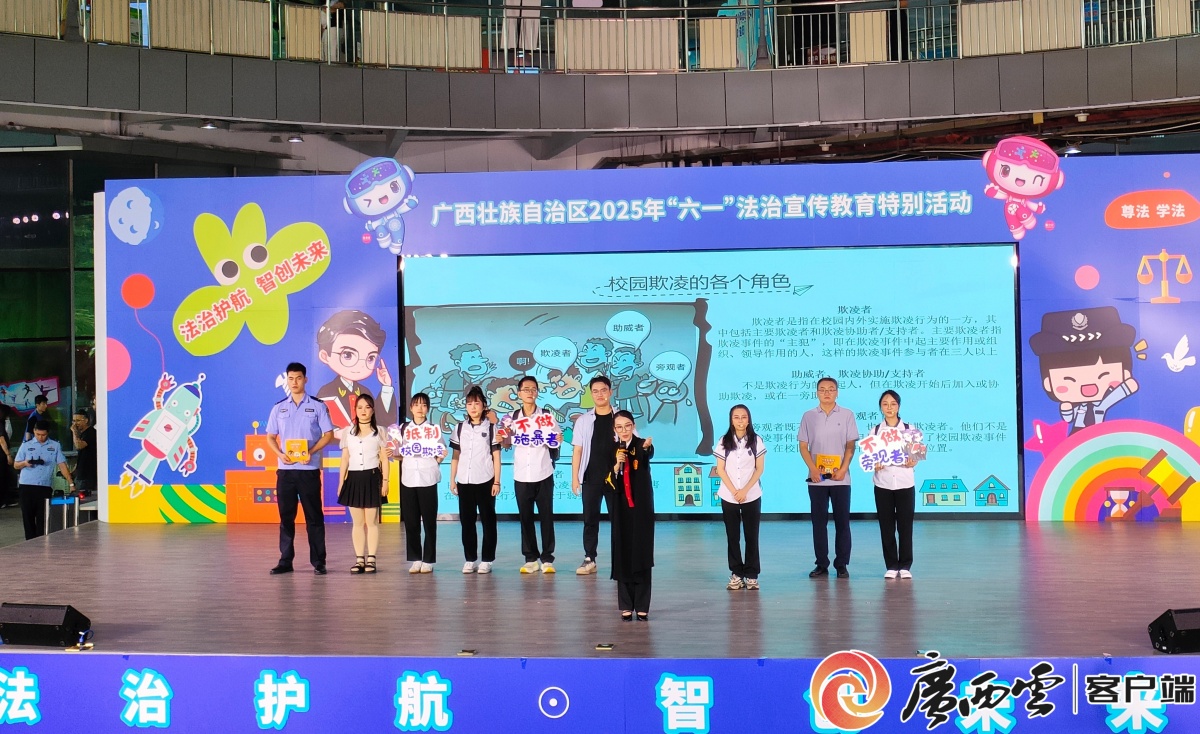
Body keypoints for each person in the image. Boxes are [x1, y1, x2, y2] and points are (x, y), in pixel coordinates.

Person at [266, 362, 334, 576]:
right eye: (291, 378)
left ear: (305, 379)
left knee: (314, 517)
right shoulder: (278, 408)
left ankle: (319, 562)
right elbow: (270, 437)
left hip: (308, 470)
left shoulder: (317, 406)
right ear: (287, 380)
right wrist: (280, 454)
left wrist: (311, 451)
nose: (294, 382)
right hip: (285, 471)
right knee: (286, 517)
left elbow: (328, 434)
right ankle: (285, 561)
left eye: (298, 378)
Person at [798, 377, 859, 578]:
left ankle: (842, 564)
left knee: (843, 522)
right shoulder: (808, 416)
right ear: (817, 392)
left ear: (837, 392)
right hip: (817, 479)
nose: (827, 393)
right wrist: (813, 469)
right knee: (818, 523)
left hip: (841, 478)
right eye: (822, 389)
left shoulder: (847, 414)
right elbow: (803, 446)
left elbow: (851, 445)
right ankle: (821, 564)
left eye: (831, 389)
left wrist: (843, 469)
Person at [503, 375, 560, 574]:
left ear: (537, 392)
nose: (530, 392)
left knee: (546, 516)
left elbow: (556, 440)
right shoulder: (511, 418)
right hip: (521, 474)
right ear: (519, 393)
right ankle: (530, 558)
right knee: (525, 517)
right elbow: (506, 443)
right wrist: (503, 437)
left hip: (543, 471)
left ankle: (547, 558)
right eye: (526, 389)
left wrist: (557, 438)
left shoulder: (546, 416)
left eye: (533, 389)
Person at [315, 310, 398, 433]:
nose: (360, 365)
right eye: (348, 355)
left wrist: (386, 386)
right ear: (325, 356)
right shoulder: (326, 391)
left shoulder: (365, 392)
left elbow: (383, 421)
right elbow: (320, 424)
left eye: (370, 358)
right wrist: (336, 433)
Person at [607, 410, 655, 620]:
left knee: (641, 551)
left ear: (633, 425)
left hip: (641, 507)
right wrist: (617, 464)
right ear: (614, 429)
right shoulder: (612, 449)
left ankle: (642, 604)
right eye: (619, 427)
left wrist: (646, 448)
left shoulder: (641, 444)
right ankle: (626, 604)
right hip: (620, 506)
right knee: (623, 551)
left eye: (627, 426)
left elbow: (647, 453)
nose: (624, 430)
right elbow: (607, 480)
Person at [449, 386, 501, 574]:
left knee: (488, 521)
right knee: (467, 522)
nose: (473, 407)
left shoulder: (492, 428)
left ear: (484, 405)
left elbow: (496, 456)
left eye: (476, 403)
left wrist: (497, 481)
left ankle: (487, 560)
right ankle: (470, 559)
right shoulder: (459, 428)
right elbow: (456, 455)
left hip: (486, 480)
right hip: (465, 481)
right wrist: (452, 479)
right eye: (469, 403)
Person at [714, 404, 766, 591]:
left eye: (744, 417)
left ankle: (751, 575)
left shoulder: (756, 440)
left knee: (752, 536)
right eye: (736, 417)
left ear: (749, 419)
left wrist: (744, 490)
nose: (740, 421)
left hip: (751, 495)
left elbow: (759, 469)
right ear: (731, 420)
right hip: (729, 496)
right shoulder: (723, 441)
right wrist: (734, 491)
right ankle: (736, 574)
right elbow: (720, 469)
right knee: (732, 536)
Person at [336, 394, 389, 574]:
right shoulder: (348, 432)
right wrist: (341, 482)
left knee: (371, 522)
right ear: (355, 410)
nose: (363, 411)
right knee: (357, 523)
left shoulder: (380, 431)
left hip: (372, 478)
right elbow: (345, 459)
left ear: (373, 410)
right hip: (353, 478)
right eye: (360, 407)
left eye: (367, 407)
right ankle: (359, 559)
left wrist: (385, 481)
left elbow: (384, 459)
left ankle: (371, 559)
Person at [570, 375, 617, 576]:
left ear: (610, 392)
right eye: (595, 391)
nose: (600, 394)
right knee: (590, 519)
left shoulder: (620, 417)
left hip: (615, 479)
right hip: (591, 477)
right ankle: (590, 558)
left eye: (603, 390)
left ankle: (621, 558)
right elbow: (578, 450)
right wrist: (575, 477)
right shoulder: (584, 420)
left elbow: (634, 441)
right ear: (591, 394)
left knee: (619, 519)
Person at [872, 390, 917, 579]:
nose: (889, 407)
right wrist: (875, 463)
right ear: (880, 407)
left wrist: (913, 460)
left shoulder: (909, 429)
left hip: (905, 483)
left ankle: (905, 565)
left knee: (905, 526)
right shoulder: (875, 431)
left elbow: (916, 456)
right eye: (885, 404)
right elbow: (870, 458)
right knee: (887, 526)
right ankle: (891, 565)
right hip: (883, 484)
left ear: (898, 406)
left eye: (893, 404)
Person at [398, 392, 444, 573]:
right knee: (411, 522)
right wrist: (392, 453)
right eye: (416, 404)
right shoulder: (402, 429)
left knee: (429, 522)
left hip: (428, 478)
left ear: (428, 409)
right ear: (410, 408)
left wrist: (438, 459)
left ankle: (429, 560)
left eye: (424, 405)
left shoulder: (433, 429)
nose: (420, 408)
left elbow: (440, 451)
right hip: (408, 478)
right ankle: (415, 558)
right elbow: (399, 453)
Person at [13, 420, 73, 539]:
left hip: (44, 487)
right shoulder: (26, 445)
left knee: (43, 517)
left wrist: (71, 483)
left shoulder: (55, 446)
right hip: (27, 486)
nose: (41, 437)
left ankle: (41, 541)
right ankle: (30, 541)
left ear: (48, 433)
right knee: (28, 517)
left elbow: (62, 465)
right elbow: (16, 465)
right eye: (38, 434)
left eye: (43, 435)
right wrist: (25, 463)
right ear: (34, 431)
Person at [70, 410, 97, 498]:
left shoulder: (91, 433)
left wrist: (74, 432)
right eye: (74, 421)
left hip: (88, 475)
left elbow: (79, 446)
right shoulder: (82, 434)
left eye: (78, 420)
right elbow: (81, 455)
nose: (75, 424)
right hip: (81, 474)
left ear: (86, 420)